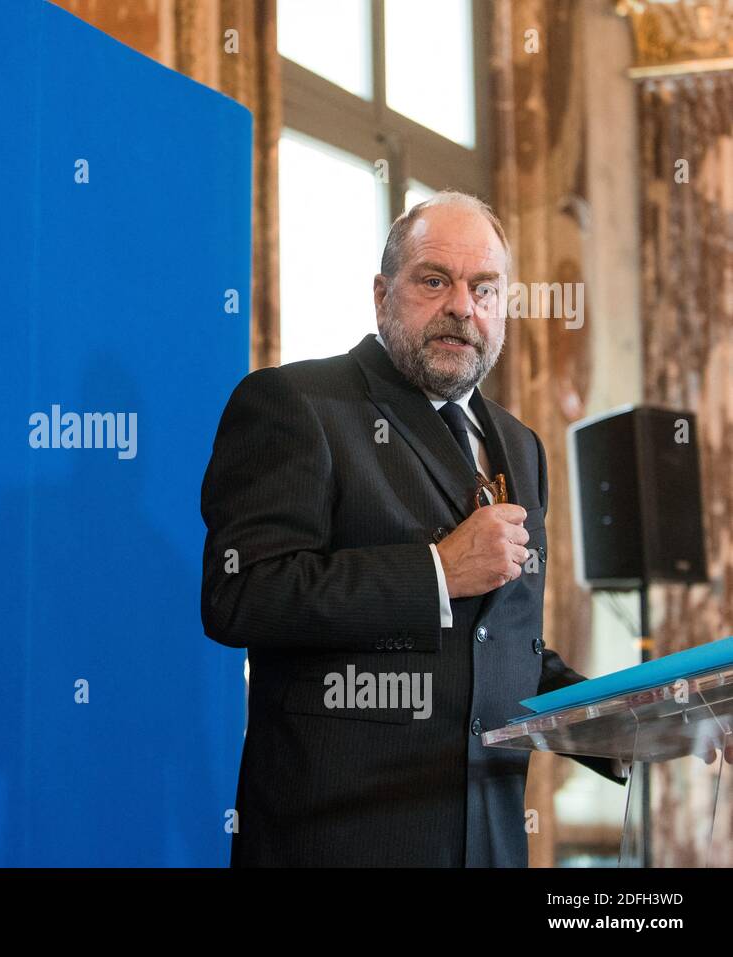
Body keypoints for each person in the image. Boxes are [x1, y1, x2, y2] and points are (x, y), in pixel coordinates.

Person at [199, 190, 625, 867]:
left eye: (484, 288)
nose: (463, 305)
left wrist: (616, 722)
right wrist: (436, 571)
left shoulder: (520, 445)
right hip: (342, 842)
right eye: (436, 280)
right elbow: (241, 593)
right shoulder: (297, 405)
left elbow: (501, 644)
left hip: (487, 844)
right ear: (382, 294)